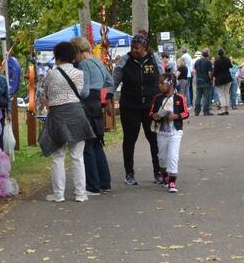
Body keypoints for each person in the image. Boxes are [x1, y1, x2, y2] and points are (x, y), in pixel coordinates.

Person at [39, 42, 96, 202]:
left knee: (58, 156)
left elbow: (46, 94)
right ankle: (81, 194)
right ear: (72, 56)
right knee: (77, 156)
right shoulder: (80, 74)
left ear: (56, 56)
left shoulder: (51, 74)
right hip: (77, 114)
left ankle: (58, 194)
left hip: (57, 115)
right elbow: (82, 93)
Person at [113, 31, 164, 186]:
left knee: (154, 139)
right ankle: (129, 173)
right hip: (130, 106)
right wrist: (109, 97)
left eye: (138, 48)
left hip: (151, 106)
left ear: (146, 48)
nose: (134, 50)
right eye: (133, 47)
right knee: (129, 139)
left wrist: (168, 99)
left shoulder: (154, 59)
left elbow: (163, 79)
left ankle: (158, 172)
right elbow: (114, 82)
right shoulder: (124, 61)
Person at [72, 37, 113, 195]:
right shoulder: (98, 62)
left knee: (87, 146)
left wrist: (76, 94)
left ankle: (93, 185)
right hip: (97, 105)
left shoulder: (83, 64)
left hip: (87, 105)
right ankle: (105, 182)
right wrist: (106, 96)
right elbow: (110, 81)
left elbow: (85, 90)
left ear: (78, 51)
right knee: (97, 144)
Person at [150, 72, 189, 193]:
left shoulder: (180, 98)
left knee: (173, 156)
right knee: (162, 157)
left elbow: (186, 113)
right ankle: (165, 176)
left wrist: (177, 116)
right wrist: (155, 116)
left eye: (163, 83)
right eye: (159, 83)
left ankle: (172, 181)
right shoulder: (157, 98)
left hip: (175, 132)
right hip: (162, 132)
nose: (160, 86)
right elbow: (151, 112)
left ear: (170, 84)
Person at [192, 49, 213, 116]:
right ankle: (206, 111)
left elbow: (194, 71)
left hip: (198, 81)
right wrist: (211, 80)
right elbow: (209, 73)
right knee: (206, 96)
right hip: (206, 81)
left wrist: (195, 80)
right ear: (208, 54)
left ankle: (197, 111)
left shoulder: (197, 61)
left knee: (198, 96)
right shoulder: (208, 62)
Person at [212, 49, 233, 115]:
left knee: (221, 94)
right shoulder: (227, 59)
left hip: (220, 79)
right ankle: (226, 110)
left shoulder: (217, 61)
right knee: (226, 93)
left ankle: (223, 110)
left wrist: (214, 77)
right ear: (223, 53)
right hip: (228, 78)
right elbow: (231, 66)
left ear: (218, 54)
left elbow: (215, 72)